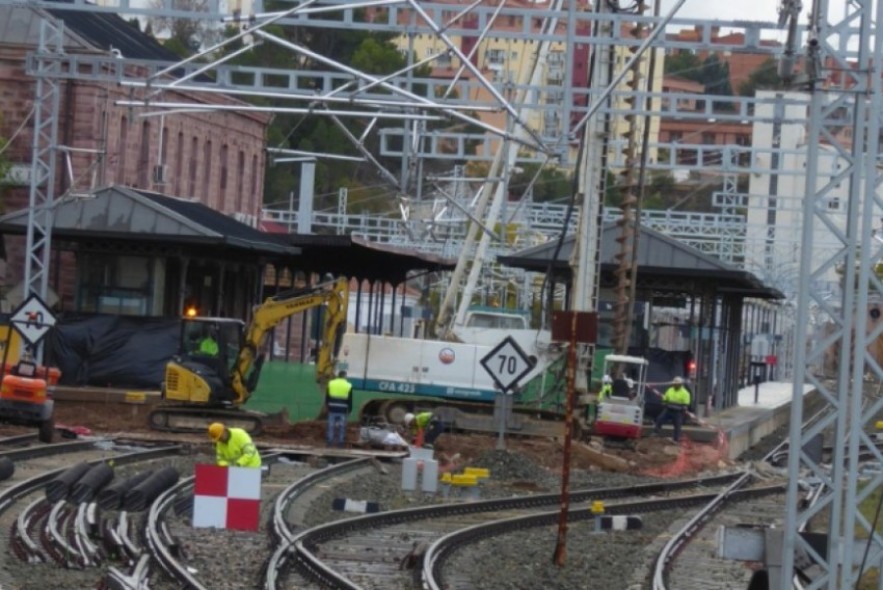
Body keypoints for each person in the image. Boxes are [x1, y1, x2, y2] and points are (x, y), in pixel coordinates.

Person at [653, 377, 691, 443]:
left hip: (678, 412)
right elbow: (665, 398)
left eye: (676, 384)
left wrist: (683, 409)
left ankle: (675, 440)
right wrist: (664, 402)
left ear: (680, 384)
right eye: (674, 384)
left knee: (677, 426)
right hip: (669, 410)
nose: (675, 385)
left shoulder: (685, 393)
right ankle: (655, 432)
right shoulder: (670, 390)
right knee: (659, 419)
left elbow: (685, 404)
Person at [325, 370, 353, 447]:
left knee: (331, 425)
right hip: (343, 409)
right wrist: (350, 410)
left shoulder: (331, 383)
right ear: (345, 376)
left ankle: (329, 442)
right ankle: (340, 443)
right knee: (342, 426)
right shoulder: (348, 385)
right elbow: (350, 399)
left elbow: (327, 397)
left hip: (332, 408)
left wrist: (327, 406)